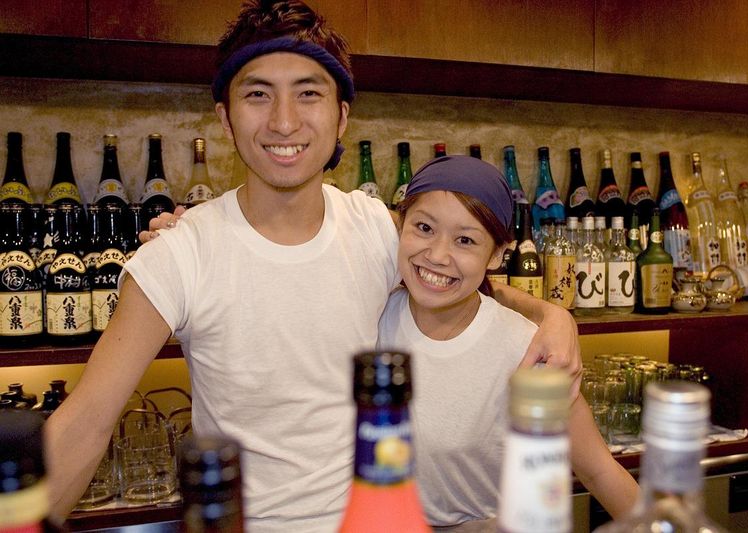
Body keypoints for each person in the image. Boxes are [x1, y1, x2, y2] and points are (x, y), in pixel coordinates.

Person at [44, 1, 581, 531]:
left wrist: (551, 315)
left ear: (341, 116)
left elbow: (454, 273)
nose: (284, 121)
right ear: (225, 118)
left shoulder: (374, 227)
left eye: (308, 93)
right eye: (258, 94)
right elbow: (86, 423)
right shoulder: (180, 253)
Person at [377, 155, 638, 529]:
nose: (436, 255)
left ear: (497, 254)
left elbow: (598, 471)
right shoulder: (372, 315)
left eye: (465, 240)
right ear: (399, 226)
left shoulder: (526, 349)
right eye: (424, 227)